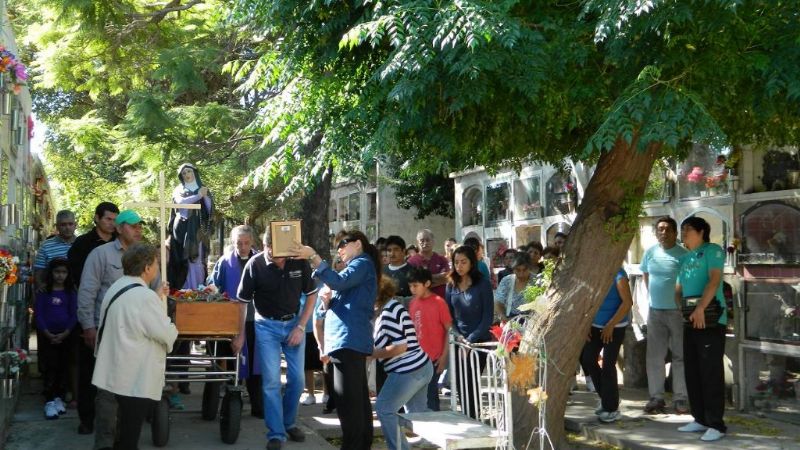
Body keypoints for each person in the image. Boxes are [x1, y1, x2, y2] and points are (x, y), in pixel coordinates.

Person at [291, 230, 379, 450]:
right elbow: (338, 294)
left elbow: (338, 282)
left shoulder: (362, 264)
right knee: (356, 401)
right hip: (347, 342)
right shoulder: (356, 267)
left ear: (358, 244)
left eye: (343, 244)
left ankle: (353, 445)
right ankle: (359, 445)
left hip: (348, 342)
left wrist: (313, 257)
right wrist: (327, 301)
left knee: (349, 403)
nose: (339, 249)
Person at [237, 231, 318, 450]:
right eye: (269, 246)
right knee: (271, 382)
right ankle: (276, 433)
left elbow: (312, 295)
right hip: (266, 328)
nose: (274, 252)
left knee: (298, 380)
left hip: (293, 325)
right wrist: (241, 334)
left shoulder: (298, 262)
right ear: (263, 245)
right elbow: (242, 301)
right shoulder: (255, 265)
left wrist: (301, 326)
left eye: (277, 246)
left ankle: (289, 422)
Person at [92, 243, 177, 450]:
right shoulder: (144, 297)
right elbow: (165, 334)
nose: (158, 267)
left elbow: (132, 317)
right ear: (147, 268)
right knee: (129, 437)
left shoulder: (118, 286)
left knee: (122, 434)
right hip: (134, 377)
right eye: (156, 263)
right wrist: (174, 326)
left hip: (115, 372)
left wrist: (155, 297)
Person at [77, 209, 150, 446]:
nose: (138, 229)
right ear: (119, 228)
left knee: (133, 390)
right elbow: (87, 292)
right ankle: (105, 443)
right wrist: (88, 326)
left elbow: (155, 292)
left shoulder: (146, 256)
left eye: (140, 225)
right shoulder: (100, 255)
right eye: (132, 225)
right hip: (107, 331)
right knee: (107, 392)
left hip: (139, 334)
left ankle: (127, 442)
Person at [675, 217, 727, 442]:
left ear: (701, 231)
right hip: (691, 319)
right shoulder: (685, 257)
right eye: (683, 230)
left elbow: (714, 281)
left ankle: (716, 423)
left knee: (710, 371)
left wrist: (700, 308)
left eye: (687, 230)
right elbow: (679, 287)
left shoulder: (712, 251)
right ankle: (700, 418)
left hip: (710, 319)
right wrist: (683, 309)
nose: (683, 234)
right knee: (693, 370)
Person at [373, 277, 433, 450]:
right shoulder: (391, 307)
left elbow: (400, 347)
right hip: (419, 366)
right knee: (418, 415)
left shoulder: (388, 311)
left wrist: (371, 354)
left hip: (408, 370)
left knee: (384, 409)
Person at [207, 225, 261, 417]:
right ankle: (231, 406)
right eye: (239, 243)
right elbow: (213, 285)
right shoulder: (224, 262)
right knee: (232, 364)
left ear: (252, 242)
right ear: (233, 242)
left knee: (256, 364)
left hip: (256, 320)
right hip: (231, 320)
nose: (243, 247)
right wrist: (213, 289)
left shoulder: (261, 261)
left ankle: (258, 405)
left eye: (246, 243)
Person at [641, 216, 689, 414]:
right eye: (660, 229)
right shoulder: (650, 252)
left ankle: (680, 398)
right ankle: (656, 397)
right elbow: (646, 275)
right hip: (655, 311)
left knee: (680, 356)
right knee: (655, 357)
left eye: (667, 229)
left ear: (675, 233)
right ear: (656, 232)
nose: (663, 232)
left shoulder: (684, 255)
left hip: (677, 313)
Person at [445, 245, 493, 419]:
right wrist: (459, 338)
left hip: (479, 341)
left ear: (472, 263)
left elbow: (487, 317)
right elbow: (448, 316)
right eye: (456, 262)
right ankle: (466, 416)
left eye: (463, 262)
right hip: (458, 341)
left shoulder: (483, 284)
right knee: (460, 382)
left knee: (472, 381)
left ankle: (474, 416)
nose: (459, 266)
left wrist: (471, 340)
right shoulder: (451, 284)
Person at [580, 267, 632, 423]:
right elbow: (588, 300)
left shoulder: (619, 275)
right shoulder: (594, 272)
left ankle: (611, 408)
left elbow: (628, 302)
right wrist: (586, 324)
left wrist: (610, 325)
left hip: (615, 328)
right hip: (595, 326)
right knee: (588, 359)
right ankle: (608, 399)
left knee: (608, 365)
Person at [35, 258, 77, 420]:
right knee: (50, 367)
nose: (60, 276)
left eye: (64, 272)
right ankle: (49, 400)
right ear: (51, 273)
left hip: (65, 336)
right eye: (57, 272)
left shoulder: (70, 292)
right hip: (48, 336)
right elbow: (39, 315)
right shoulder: (44, 292)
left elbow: (74, 314)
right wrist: (48, 334)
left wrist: (65, 333)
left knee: (63, 367)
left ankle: (59, 397)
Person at [408, 266, 452, 411]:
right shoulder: (413, 303)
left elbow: (449, 330)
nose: (412, 289)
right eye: (410, 286)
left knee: (431, 395)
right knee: (417, 395)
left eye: (415, 285)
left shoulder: (439, 302)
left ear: (426, 284)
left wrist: (444, 356)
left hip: (433, 358)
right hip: (416, 358)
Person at [167, 163, 213, 290]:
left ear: (194, 173)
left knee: (197, 259)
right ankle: (183, 289)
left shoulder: (203, 188)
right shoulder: (178, 189)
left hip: (197, 229)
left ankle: (197, 289)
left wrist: (205, 196)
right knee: (182, 259)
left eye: (189, 171)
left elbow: (209, 211)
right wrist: (198, 195)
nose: (187, 175)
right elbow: (180, 203)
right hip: (181, 228)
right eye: (184, 173)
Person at [67, 203, 119, 289]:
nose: (112, 223)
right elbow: (73, 272)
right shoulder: (82, 242)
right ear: (97, 218)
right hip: (88, 292)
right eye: (108, 219)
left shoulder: (120, 241)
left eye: (115, 220)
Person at [35, 210, 77, 290]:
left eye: (70, 224)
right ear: (57, 226)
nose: (67, 227)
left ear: (75, 225)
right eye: (63, 225)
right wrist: (40, 287)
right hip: (52, 293)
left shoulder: (82, 244)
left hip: (77, 295)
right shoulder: (46, 245)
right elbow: (39, 270)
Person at [494, 253, 540, 322]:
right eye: (518, 270)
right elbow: (498, 303)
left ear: (530, 268)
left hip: (532, 322)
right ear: (513, 269)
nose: (521, 274)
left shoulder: (537, 281)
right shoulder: (507, 281)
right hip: (510, 320)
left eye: (525, 270)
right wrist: (504, 318)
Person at [407, 230, 450, 299]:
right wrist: (438, 278)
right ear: (417, 243)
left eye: (427, 240)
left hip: (441, 301)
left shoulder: (442, 259)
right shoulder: (411, 262)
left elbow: (446, 278)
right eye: (422, 241)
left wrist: (423, 281)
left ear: (433, 241)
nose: (425, 243)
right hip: (421, 302)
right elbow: (414, 284)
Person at [383, 235, 413, 301]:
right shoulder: (382, 271)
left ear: (403, 251)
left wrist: (398, 300)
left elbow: (417, 297)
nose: (392, 253)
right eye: (389, 250)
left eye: (396, 249)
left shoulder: (413, 271)